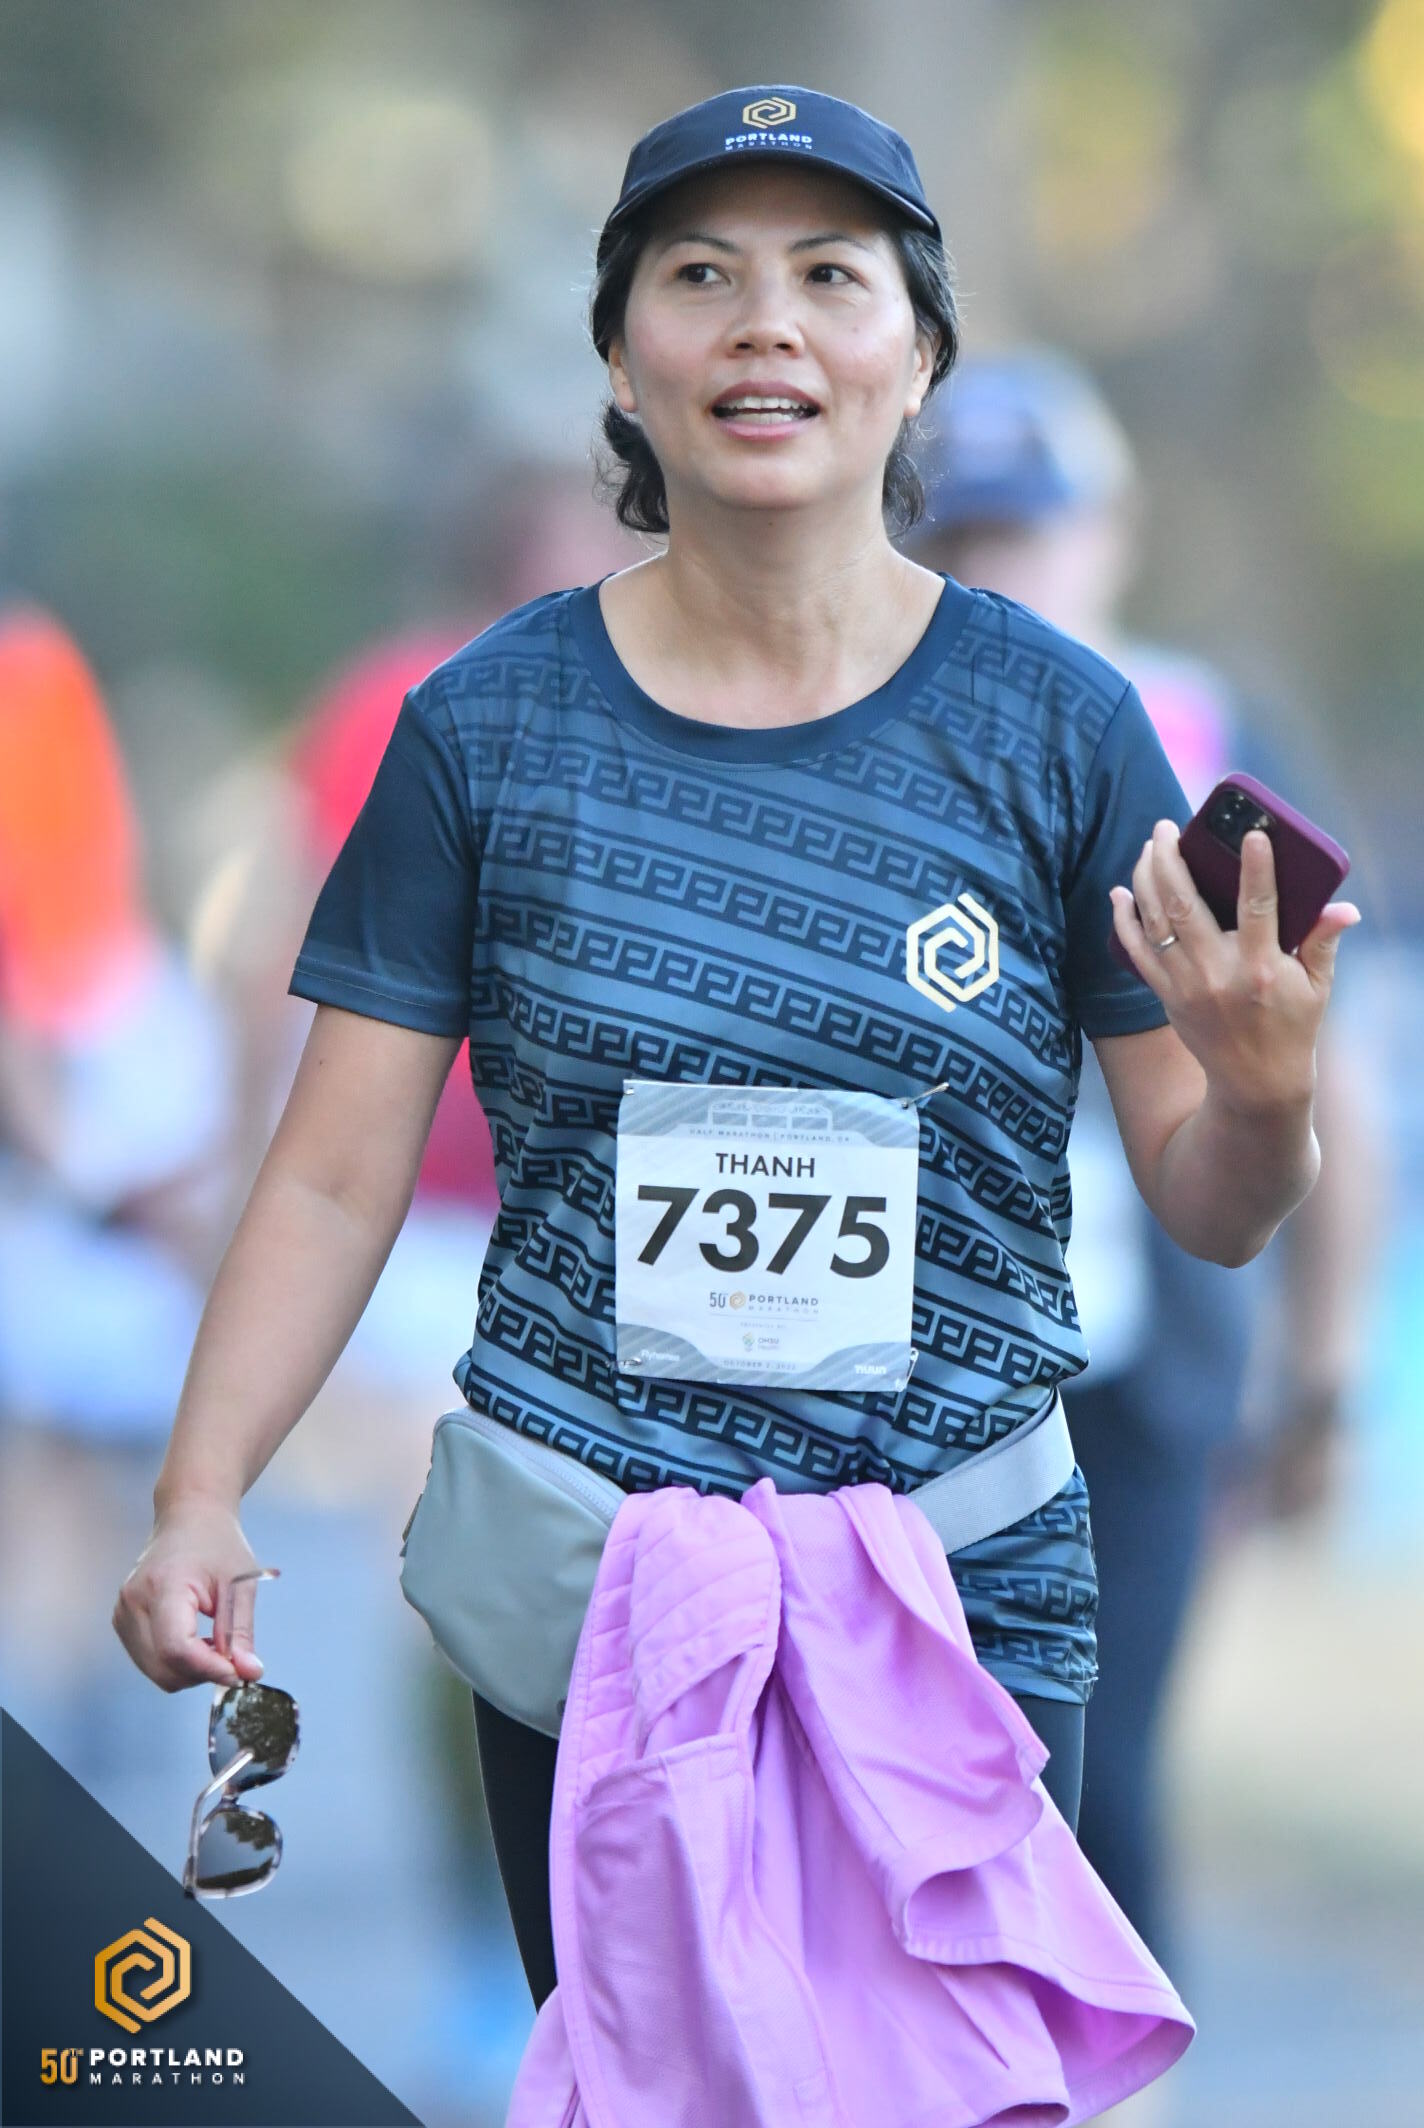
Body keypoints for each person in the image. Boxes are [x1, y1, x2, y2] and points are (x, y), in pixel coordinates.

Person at [113, 85, 1361, 2021]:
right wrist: (202, 1488)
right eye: (700, 276)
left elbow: (1208, 1201)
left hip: (963, 1585)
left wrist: (1266, 1095)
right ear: (622, 357)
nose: (765, 323)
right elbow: (338, 1171)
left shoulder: (1061, 727)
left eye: (830, 278)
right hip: (594, 1595)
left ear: (918, 354)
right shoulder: (481, 730)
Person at [903, 349, 1382, 1982]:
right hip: (918, 1336)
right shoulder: (859, 732)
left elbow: (1327, 1077)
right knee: (919, 1780)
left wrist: (1322, 1380)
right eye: (961, 537)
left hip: (1157, 1337)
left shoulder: (1206, 733)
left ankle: (1113, 2070)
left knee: (1098, 1779)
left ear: (1113, 530)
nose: (1001, 574)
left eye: (1031, 532)